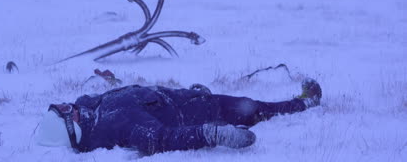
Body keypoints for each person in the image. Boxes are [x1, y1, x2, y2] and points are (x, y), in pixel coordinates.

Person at [35, 78, 322, 155]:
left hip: (188, 97)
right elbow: (161, 140)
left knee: (250, 106)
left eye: (58, 106)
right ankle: (305, 104)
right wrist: (211, 134)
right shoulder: (113, 127)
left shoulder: (90, 108)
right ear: (71, 128)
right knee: (255, 108)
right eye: (62, 111)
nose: (64, 104)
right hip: (203, 111)